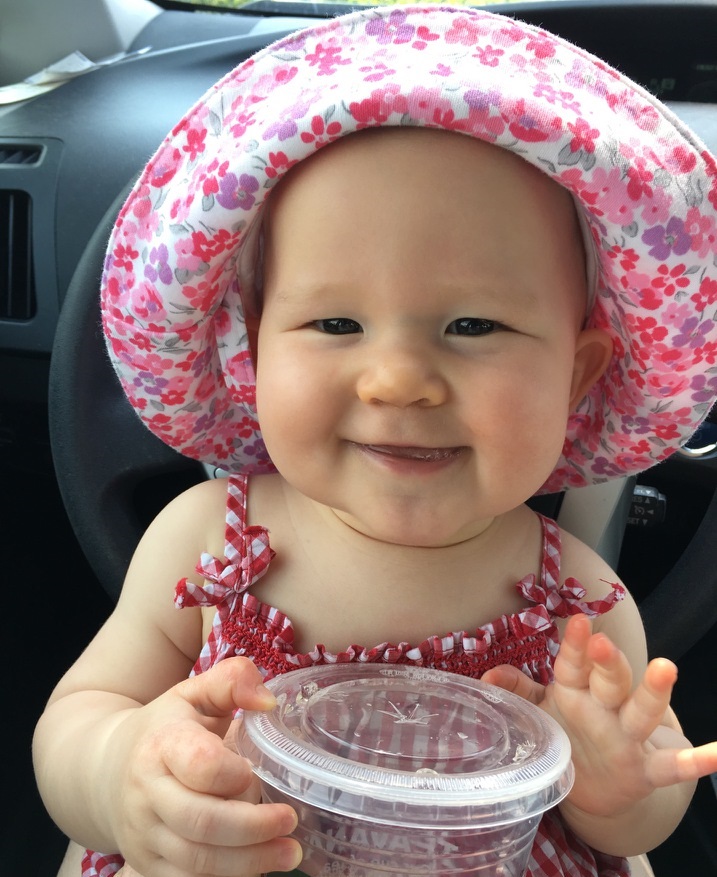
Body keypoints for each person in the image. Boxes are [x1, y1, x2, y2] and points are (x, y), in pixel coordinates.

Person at [33, 6, 717, 877]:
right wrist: (121, 768)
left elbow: (641, 815)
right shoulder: (210, 541)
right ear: (253, 343)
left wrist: (618, 781)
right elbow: (81, 713)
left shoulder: (579, 604)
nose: (396, 379)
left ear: (576, 376)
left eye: (473, 324)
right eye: (333, 321)